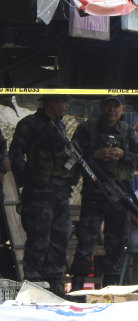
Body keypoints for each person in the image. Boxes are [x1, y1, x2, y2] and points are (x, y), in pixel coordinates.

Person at [70, 95, 138, 290]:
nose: (112, 110)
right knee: (86, 243)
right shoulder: (86, 129)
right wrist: (95, 155)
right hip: (93, 196)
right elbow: (71, 155)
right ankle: (78, 287)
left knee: (116, 245)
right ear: (101, 107)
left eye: (116, 106)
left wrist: (123, 155)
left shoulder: (128, 131)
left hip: (118, 197)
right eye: (108, 105)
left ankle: (110, 288)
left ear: (122, 110)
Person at [8, 93, 77, 296]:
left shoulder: (60, 126)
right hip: (38, 195)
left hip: (60, 194)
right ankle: (34, 288)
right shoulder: (29, 125)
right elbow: (16, 155)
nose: (67, 105)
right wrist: (28, 181)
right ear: (50, 102)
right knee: (39, 241)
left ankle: (55, 287)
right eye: (64, 101)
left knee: (60, 239)